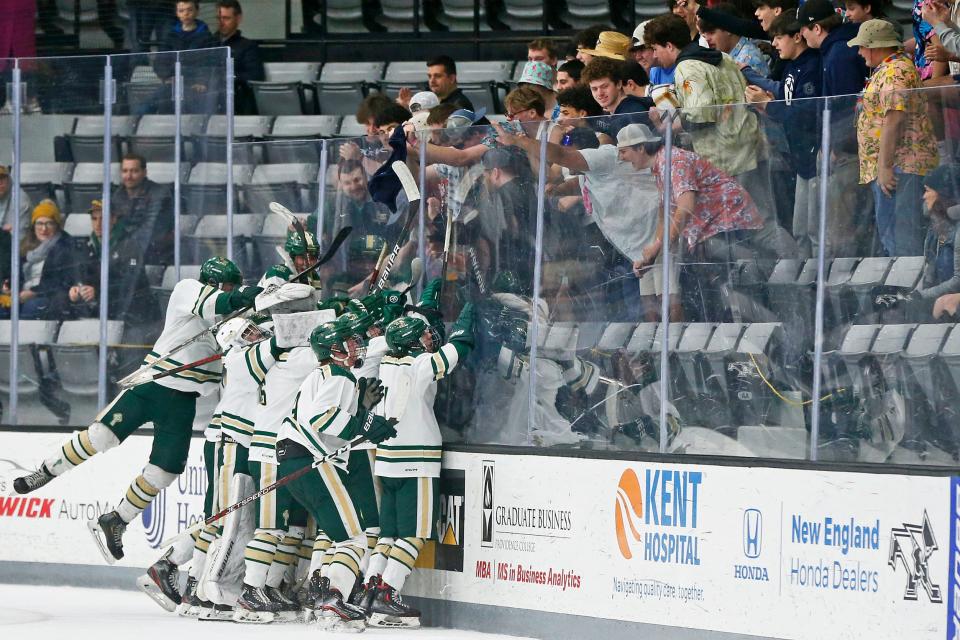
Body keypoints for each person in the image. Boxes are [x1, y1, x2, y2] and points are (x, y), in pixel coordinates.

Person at [13, 257, 263, 565]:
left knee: (165, 470)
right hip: (153, 385)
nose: (232, 290)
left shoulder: (231, 319)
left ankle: (117, 519)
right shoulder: (189, 290)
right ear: (212, 283)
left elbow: (248, 329)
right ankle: (46, 470)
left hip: (184, 402)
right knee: (101, 436)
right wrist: (254, 292)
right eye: (229, 285)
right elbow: (226, 300)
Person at [274, 316, 397, 630]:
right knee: (355, 539)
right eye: (351, 341)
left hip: (293, 459)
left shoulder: (323, 374)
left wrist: (362, 418)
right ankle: (333, 600)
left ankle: (321, 596)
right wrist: (366, 424)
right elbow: (323, 418)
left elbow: (327, 418)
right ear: (335, 347)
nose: (356, 346)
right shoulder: (339, 375)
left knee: (333, 534)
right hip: (312, 461)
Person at [361, 300, 475, 628]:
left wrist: (423, 308)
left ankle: (370, 589)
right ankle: (388, 593)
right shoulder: (419, 364)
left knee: (390, 533)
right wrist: (469, 313)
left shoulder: (384, 362)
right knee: (415, 534)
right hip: (417, 460)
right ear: (412, 342)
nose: (428, 339)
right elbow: (459, 347)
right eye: (423, 335)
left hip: (387, 461)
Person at [644, 13, 771, 218]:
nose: (654, 56)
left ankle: (786, 252)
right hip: (749, 145)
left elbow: (700, 116)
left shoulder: (687, 68)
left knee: (753, 223)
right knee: (764, 216)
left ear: (669, 45)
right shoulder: (724, 57)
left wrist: (663, 122)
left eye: (655, 49)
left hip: (728, 158)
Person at [852, 19, 939, 257]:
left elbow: (894, 119)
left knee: (902, 238)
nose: (859, 53)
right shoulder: (888, 68)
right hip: (895, 166)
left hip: (901, 167)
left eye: (861, 46)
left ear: (874, 45)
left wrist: (884, 165)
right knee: (892, 234)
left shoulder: (896, 70)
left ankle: (907, 290)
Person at [745, 13, 822, 258]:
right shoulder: (791, 67)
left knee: (816, 231)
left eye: (779, 38)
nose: (775, 44)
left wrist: (768, 106)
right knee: (800, 230)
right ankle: (804, 284)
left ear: (797, 36)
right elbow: (786, 100)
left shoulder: (811, 68)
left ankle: (822, 285)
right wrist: (766, 101)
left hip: (816, 158)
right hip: (800, 158)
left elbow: (802, 113)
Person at [70, 199, 160, 328]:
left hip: (134, 317)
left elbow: (129, 285)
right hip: (102, 311)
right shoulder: (87, 246)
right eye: (94, 219)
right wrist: (76, 289)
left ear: (113, 219)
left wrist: (98, 292)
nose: (98, 224)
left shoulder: (130, 245)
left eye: (103, 219)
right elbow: (80, 276)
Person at [2, 199, 76, 321]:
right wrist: (9, 286)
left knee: (31, 307)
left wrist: (33, 293)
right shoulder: (25, 244)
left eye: (49, 223)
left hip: (46, 296)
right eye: (39, 223)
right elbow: (16, 273)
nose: (43, 229)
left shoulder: (66, 245)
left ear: (57, 225)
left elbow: (62, 281)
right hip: (21, 294)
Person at [111, 154, 174, 265]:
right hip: (126, 256)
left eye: (134, 171)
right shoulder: (118, 195)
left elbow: (150, 230)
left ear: (144, 173)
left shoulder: (160, 193)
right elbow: (114, 229)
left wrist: (125, 251)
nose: (128, 176)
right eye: (125, 171)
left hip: (155, 256)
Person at [914, 164, 960, 300]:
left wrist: (921, 296)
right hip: (940, 299)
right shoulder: (935, 227)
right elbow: (929, 270)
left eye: (928, 191)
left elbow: (958, 281)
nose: (924, 196)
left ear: (943, 194)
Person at [581, 56, 654, 138]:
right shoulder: (615, 112)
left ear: (619, 84)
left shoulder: (633, 112)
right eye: (594, 89)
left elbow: (641, 149)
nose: (599, 93)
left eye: (605, 86)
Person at [216, 0, 264, 116]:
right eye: (219, 18)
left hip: (236, 100)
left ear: (238, 19)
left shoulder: (247, 46)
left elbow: (255, 76)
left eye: (226, 18)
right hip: (208, 99)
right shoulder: (207, 43)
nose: (221, 23)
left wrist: (229, 76)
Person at [698, 3, 771, 76]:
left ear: (729, 29)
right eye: (704, 35)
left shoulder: (749, 59)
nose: (707, 39)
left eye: (711, 33)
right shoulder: (726, 57)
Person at [0, 164, 31, 235]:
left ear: (8, 179)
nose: (0, 183)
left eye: (2, 178)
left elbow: (18, 237)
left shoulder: (19, 199)